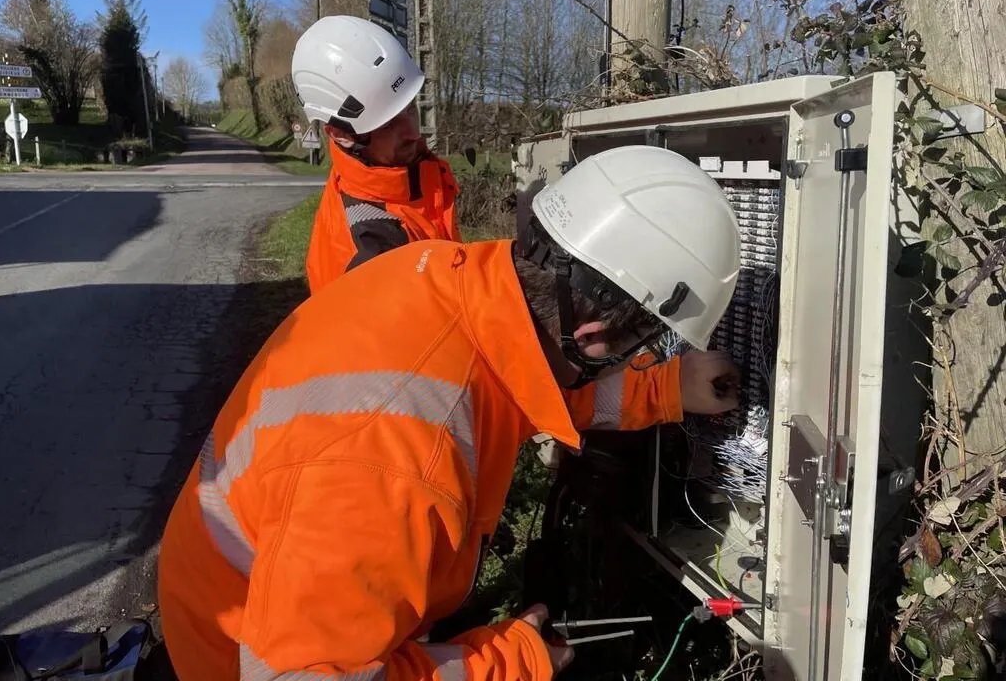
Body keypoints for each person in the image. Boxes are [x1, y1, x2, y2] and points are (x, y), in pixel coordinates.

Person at [158, 144, 743, 681]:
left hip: (278, 601)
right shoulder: (394, 463)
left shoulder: (453, 280)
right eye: (644, 348)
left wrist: (665, 387)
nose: (639, 360)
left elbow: (529, 383)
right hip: (233, 659)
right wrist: (509, 663)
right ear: (591, 336)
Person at [291, 15, 461, 293]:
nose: (413, 133)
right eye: (389, 123)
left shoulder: (388, 182)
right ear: (341, 135)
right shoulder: (371, 249)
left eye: (410, 108)